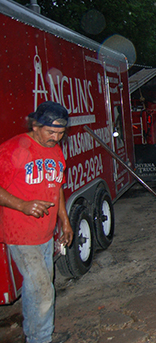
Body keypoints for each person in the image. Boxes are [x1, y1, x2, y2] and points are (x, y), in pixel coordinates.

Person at [0, 101, 74, 343]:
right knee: (42, 289)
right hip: (20, 234)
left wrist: (65, 221)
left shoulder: (55, 150)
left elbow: (57, 188)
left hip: (44, 233)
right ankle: (40, 339)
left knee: (38, 289)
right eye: (51, 132)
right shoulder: (12, 149)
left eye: (61, 133)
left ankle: (36, 335)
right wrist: (22, 205)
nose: (56, 138)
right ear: (35, 125)